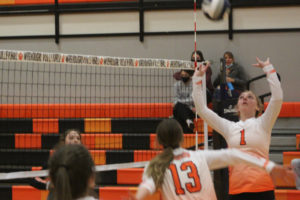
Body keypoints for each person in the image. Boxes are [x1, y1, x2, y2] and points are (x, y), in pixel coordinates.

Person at [131, 119, 294, 200]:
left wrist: (138, 197)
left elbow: (147, 186)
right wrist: (269, 165)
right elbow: (235, 155)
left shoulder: (155, 165)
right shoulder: (199, 156)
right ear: (182, 138)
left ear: (158, 141)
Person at [192, 57, 284, 199]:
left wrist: (268, 69)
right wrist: (197, 80)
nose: (245, 98)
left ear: (258, 106)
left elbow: (277, 98)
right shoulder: (229, 127)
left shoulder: (264, 123)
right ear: (237, 107)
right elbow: (202, 110)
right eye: (241, 97)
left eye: (250, 97)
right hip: (237, 191)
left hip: (263, 189)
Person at [30, 129, 82, 197]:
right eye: (71, 138)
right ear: (64, 141)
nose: (75, 140)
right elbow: (33, 180)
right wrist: (49, 185)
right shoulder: (56, 159)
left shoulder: (84, 160)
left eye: (78, 138)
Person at [173, 68, 195, 132]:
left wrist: (179, 102)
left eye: (185, 75)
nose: (183, 77)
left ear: (190, 75)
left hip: (190, 110)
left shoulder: (194, 85)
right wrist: (180, 103)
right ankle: (188, 120)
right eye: (182, 75)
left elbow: (192, 100)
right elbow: (175, 99)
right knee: (179, 107)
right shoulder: (177, 85)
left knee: (179, 110)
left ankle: (187, 124)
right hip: (184, 108)